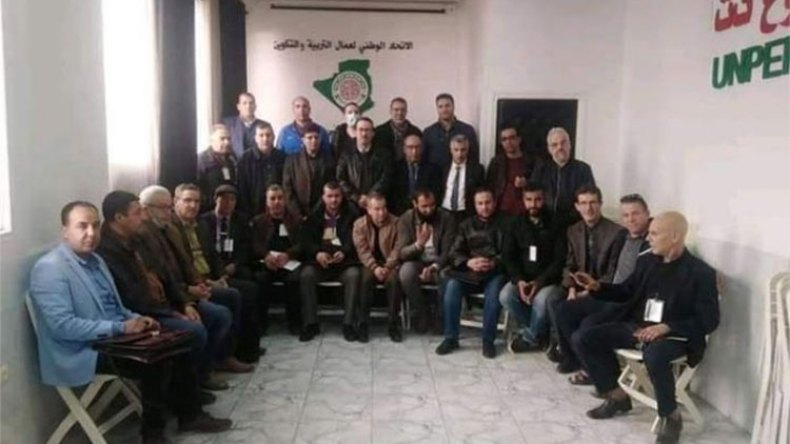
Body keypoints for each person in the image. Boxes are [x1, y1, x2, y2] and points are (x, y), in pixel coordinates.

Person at [30, 201, 231, 444]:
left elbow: (116, 307)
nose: (91, 233)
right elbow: (63, 326)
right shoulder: (50, 269)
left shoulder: (96, 261)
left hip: (114, 337)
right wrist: (120, 327)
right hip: (83, 349)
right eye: (82, 226)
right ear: (65, 230)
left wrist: (136, 318)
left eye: (95, 226)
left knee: (179, 342)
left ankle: (189, 414)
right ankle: (153, 435)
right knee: (157, 359)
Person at [571, 212, 720, 444]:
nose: (648, 238)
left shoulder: (700, 273)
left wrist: (667, 327)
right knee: (583, 338)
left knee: (655, 354)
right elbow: (627, 291)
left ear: (674, 236)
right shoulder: (647, 260)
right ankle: (617, 396)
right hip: (638, 328)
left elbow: (709, 320)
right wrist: (597, 286)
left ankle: (671, 416)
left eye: (654, 233)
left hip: (675, 336)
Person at [137, 185, 236, 391]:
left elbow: (186, 264)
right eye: (163, 208)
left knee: (226, 306)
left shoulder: (170, 229)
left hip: (184, 292)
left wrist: (198, 284)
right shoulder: (142, 236)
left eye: (168, 207)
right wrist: (187, 297)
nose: (168, 212)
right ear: (145, 209)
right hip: (165, 303)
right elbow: (159, 278)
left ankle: (209, 367)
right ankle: (194, 382)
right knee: (206, 322)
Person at [171, 184, 262, 365]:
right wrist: (204, 282)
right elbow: (179, 267)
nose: (193, 206)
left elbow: (212, 255)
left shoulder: (200, 225)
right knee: (234, 295)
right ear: (176, 202)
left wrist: (221, 276)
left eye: (196, 201)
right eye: (188, 201)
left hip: (211, 276)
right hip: (194, 284)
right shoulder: (172, 229)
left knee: (250, 289)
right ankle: (226, 356)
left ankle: (242, 349)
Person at [550, 185, 627, 376]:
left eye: (593, 202)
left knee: (569, 309)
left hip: (603, 288)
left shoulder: (617, 232)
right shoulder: (573, 230)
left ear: (600, 204)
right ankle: (570, 356)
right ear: (577, 206)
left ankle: (582, 356)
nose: (588, 208)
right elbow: (569, 264)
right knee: (553, 300)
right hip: (577, 284)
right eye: (583, 203)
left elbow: (612, 272)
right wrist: (571, 289)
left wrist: (589, 291)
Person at [435, 187, 507, 359]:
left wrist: (493, 262)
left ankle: (488, 341)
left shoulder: (506, 224)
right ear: (474, 205)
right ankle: (450, 338)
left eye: (488, 202)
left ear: (495, 203)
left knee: (494, 293)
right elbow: (454, 252)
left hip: (494, 272)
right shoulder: (465, 225)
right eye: (480, 203)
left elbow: (511, 253)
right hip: (469, 273)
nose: (484, 207)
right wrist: (469, 262)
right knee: (452, 286)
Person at [498, 183, 566, 352]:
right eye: (529, 200)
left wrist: (539, 282)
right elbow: (508, 256)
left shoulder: (557, 222)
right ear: (523, 200)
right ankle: (540, 333)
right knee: (506, 296)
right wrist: (519, 280)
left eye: (538, 199)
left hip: (549, 279)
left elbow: (560, 259)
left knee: (541, 301)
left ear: (544, 199)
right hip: (523, 277)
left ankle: (531, 337)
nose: (533, 204)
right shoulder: (515, 223)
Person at [298, 182, 361, 342]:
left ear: (342, 196)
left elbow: (356, 239)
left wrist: (344, 252)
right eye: (330, 196)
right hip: (320, 264)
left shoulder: (352, 215)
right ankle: (311, 323)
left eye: (337, 196)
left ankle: (348, 324)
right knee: (306, 275)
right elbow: (306, 241)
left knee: (354, 275)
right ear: (323, 197)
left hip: (343, 264)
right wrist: (317, 253)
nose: (333, 200)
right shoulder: (313, 216)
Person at [395, 189, 457, 334]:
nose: (429, 210)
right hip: (417, 261)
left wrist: (434, 267)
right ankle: (422, 313)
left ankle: (441, 317)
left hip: (441, 263)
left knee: (446, 276)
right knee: (406, 273)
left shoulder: (447, 218)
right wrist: (418, 245)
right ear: (415, 204)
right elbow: (402, 252)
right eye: (424, 206)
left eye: (432, 205)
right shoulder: (406, 219)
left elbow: (448, 251)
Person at [251, 184, 303, 334]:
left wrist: (288, 254)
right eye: (272, 198)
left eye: (280, 198)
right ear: (267, 201)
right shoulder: (258, 221)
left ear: (285, 200)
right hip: (267, 263)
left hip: (289, 262)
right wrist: (266, 255)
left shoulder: (296, 219)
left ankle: (294, 322)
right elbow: (254, 244)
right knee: (260, 279)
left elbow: (302, 243)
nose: (276, 202)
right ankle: (261, 323)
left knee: (294, 280)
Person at [352, 193, 402, 343]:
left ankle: (393, 324)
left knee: (394, 281)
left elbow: (398, 248)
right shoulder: (359, 224)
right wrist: (374, 267)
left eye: (384, 208)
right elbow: (362, 250)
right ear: (368, 210)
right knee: (365, 279)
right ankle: (363, 323)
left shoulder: (396, 222)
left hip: (390, 263)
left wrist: (387, 266)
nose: (382, 212)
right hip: (369, 264)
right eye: (377, 209)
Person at [530, 127, 595, 226]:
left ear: (570, 145)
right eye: (554, 145)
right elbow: (533, 196)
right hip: (545, 224)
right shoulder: (541, 169)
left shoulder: (583, 169)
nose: (560, 147)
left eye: (563, 143)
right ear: (549, 149)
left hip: (574, 225)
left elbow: (588, 199)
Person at [336, 117, 392, 210]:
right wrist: (356, 197)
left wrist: (370, 197)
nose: (364, 134)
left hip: (377, 205)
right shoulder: (346, 154)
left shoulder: (384, 154)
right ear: (355, 132)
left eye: (367, 130)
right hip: (352, 205)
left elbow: (386, 177)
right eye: (361, 130)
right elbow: (340, 178)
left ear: (373, 133)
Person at [282, 123, 336, 219]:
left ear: (320, 139)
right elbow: (287, 189)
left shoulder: (329, 161)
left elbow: (330, 189)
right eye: (309, 138)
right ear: (303, 140)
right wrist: (297, 213)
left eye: (316, 137)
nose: (313, 141)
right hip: (296, 215)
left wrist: (316, 213)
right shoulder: (291, 161)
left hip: (321, 214)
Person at [236, 121, 286, 215]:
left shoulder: (282, 158)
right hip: (253, 211)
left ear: (274, 137)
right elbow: (242, 189)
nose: (265, 139)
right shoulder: (245, 159)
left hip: (278, 210)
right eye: (261, 135)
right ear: (255, 138)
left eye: (268, 135)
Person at [486, 124, 535, 216]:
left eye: (512, 138)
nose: (508, 142)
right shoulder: (496, 162)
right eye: (504, 139)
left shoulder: (531, 161)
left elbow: (540, 184)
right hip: (501, 212)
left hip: (526, 212)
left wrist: (527, 183)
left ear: (519, 139)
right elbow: (489, 187)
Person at [422, 93, 480, 168]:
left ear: (453, 106)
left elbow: (474, 158)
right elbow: (424, 159)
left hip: (460, 173)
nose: (444, 109)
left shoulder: (467, 130)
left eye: (447, 105)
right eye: (440, 107)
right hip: (435, 174)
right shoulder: (428, 132)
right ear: (437, 109)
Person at [389, 133, 441, 216]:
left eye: (417, 147)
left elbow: (435, 192)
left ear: (422, 149)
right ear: (404, 149)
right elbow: (393, 194)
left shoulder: (433, 169)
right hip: (400, 213)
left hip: (426, 212)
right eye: (410, 147)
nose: (414, 151)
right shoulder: (395, 168)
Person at [437, 134, 485, 222]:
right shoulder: (443, 168)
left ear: (468, 150)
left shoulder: (477, 169)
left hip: (466, 213)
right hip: (444, 211)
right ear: (451, 150)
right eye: (456, 150)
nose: (459, 154)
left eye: (463, 150)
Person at [197, 124, 237, 211]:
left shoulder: (231, 160)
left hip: (228, 208)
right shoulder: (201, 160)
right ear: (211, 141)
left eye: (229, 139)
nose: (227, 142)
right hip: (208, 208)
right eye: (222, 139)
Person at [222, 92, 270, 158]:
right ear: (238, 107)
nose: (248, 106)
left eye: (251, 103)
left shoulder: (265, 125)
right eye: (244, 103)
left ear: (255, 106)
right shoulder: (228, 124)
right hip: (234, 162)